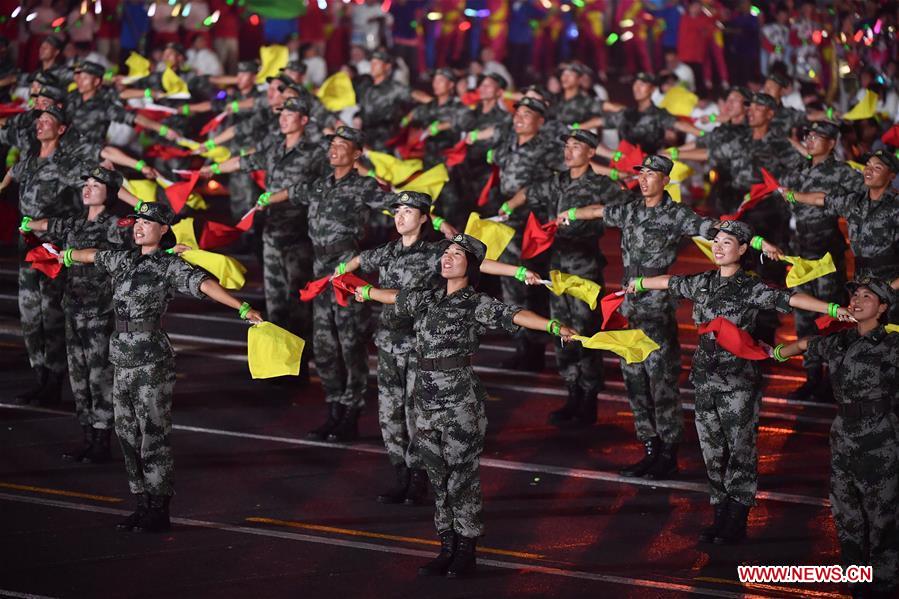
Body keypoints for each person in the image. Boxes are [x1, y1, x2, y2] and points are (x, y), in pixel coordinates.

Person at [355, 233, 576, 578]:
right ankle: (446, 545)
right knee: (437, 475)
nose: (447, 257)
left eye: (456, 254)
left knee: (461, 476)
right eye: (446, 252)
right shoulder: (426, 298)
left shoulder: (476, 303)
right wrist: (363, 291)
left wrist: (553, 325)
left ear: (470, 267)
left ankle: (467, 549)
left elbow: (515, 314)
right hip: (425, 400)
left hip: (459, 399)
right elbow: (395, 297)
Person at [629, 219, 854, 544]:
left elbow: (789, 299)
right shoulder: (703, 282)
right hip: (705, 380)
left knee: (740, 451)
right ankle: (720, 510)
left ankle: (737, 515)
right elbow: (670, 282)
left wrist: (832, 308)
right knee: (712, 450)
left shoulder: (750, 287)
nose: (719, 247)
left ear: (743, 249)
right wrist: (639, 282)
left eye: (727, 243)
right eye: (716, 242)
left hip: (737, 382)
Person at [563, 154, 784, 480]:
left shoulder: (676, 214)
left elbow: (717, 228)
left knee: (660, 380)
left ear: (666, 179)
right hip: (627, 305)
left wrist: (759, 241)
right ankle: (649, 447)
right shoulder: (631, 207)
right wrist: (568, 214)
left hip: (655, 305)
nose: (644, 178)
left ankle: (668, 451)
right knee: (633, 378)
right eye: (642, 173)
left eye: (652, 174)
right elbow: (599, 211)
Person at [59, 202, 263, 533]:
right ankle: (141, 502)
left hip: (151, 359)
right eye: (137, 221)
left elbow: (203, 284)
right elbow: (93, 255)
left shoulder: (168, 265)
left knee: (153, 435)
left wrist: (242, 309)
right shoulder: (124, 259)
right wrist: (66, 256)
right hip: (121, 358)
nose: (139, 226)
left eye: (147, 222)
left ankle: (159, 506)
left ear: (163, 229)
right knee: (126, 434)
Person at [340, 191, 538, 505]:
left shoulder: (436, 253)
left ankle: (418, 477)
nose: (400, 216)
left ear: (423, 217)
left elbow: (480, 264)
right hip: (389, 344)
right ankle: (400, 475)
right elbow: (358, 261)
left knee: (414, 415)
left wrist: (518, 272)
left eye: (407, 211)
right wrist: (338, 274)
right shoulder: (388, 251)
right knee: (388, 415)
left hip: (420, 346)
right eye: (397, 211)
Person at [775, 277, 898, 597]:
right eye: (854, 295)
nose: (856, 300)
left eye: (867, 296)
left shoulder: (891, 345)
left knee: (882, 512)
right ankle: (857, 577)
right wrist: (774, 353)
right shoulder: (839, 340)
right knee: (845, 510)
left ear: (883, 308)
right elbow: (805, 344)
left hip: (880, 436)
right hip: (843, 434)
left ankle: (885, 580)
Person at [201, 96, 329, 382]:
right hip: (272, 234)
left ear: (304, 120)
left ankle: (298, 365)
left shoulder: (316, 153)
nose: (283, 118)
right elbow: (246, 161)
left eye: (290, 114)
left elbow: (322, 188)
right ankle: (279, 365)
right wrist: (213, 169)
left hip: (299, 237)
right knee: (275, 304)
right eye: (282, 113)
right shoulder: (273, 149)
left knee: (298, 304)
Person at [504, 129, 627, 425]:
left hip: (584, 267)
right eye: (567, 146)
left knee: (585, 330)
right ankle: (571, 392)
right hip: (556, 267)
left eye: (576, 146)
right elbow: (529, 191)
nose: (569, 151)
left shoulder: (601, 184)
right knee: (561, 329)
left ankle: (588, 398)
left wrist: (588, 213)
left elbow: (623, 209)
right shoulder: (556, 182)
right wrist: (509, 206)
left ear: (590, 153)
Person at [20, 166, 128, 463]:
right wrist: (30, 224)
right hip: (73, 308)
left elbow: (145, 242)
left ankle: (102, 440)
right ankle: (88, 437)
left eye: (96, 184)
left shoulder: (115, 224)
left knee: (99, 377)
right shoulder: (75, 222)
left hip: (100, 311)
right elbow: (50, 224)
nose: (88, 188)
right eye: (87, 183)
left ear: (111, 192)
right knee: (78, 378)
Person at [777, 120, 864, 401]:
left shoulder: (841, 172)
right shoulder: (799, 170)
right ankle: (812, 376)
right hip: (800, 250)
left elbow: (863, 194)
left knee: (829, 314)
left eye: (818, 136)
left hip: (826, 251)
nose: (811, 140)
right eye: (808, 136)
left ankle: (834, 377)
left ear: (831, 143)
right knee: (803, 315)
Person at [786, 149, 899, 324]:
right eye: (867, 165)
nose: (868, 170)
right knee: (864, 332)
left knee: (890, 334)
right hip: (861, 279)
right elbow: (821, 199)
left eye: (877, 168)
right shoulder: (854, 202)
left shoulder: (895, 207)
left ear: (891, 176)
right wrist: (791, 195)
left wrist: (892, 287)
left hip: (889, 279)